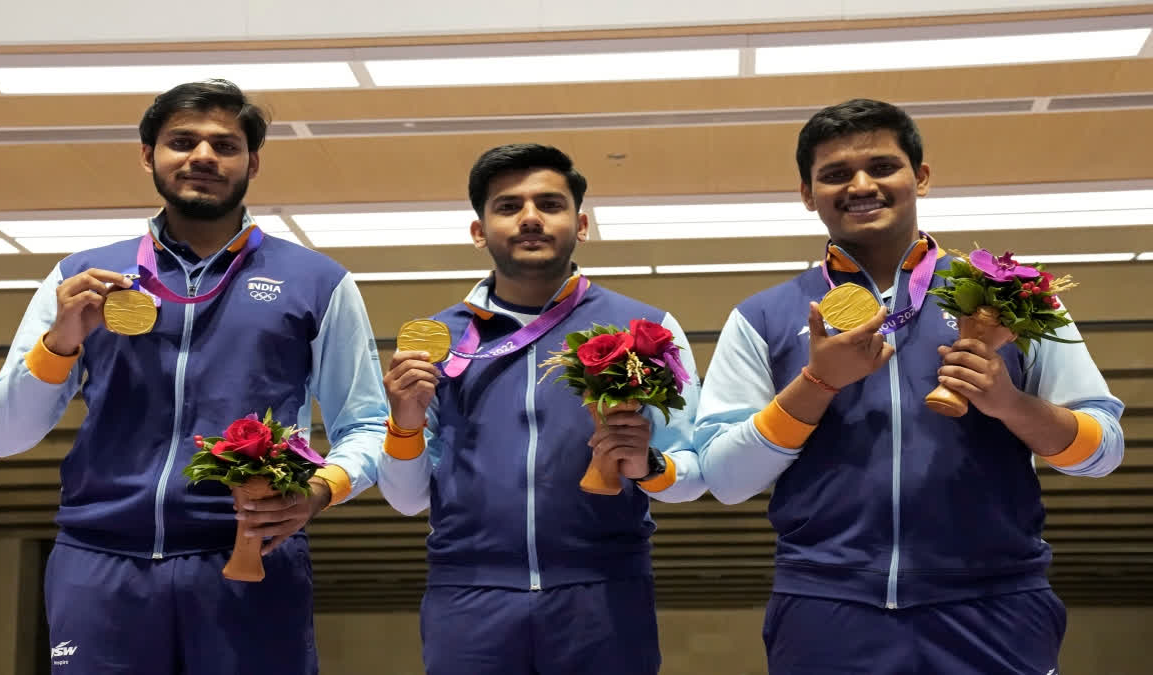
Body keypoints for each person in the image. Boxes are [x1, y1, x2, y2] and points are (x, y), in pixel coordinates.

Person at [695, 98, 1125, 674]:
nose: (861, 184)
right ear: (807, 194)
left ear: (920, 177)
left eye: (883, 166)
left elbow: (1102, 452)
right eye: (835, 174)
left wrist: (1009, 404)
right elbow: (725, 479)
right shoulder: (763, 317)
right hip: (827, 607)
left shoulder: (1015, 298)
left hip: (995, 601)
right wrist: (817, 383)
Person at [0, 79, 388, 674]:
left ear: (253, 162)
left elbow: (368, 424)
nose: (203, 157)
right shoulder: (81, 279)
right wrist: (60, 342)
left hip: (251, 553)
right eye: (182, 141)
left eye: (225, 145)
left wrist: (322, 490)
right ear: (148, 155)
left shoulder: (318, 282)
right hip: (99, 559)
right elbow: (1, 435)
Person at [379, 143, 705, 674]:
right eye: (508, 207)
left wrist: (647, 464)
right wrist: (406, 422)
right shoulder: (435, 343)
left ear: (581, 224)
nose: (530, 218)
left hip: (603, 592)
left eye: (549, 205)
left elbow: (692, 475)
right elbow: (405, 498)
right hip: (468, 596)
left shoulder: (648, 329)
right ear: (479, 231)